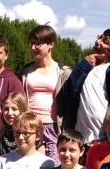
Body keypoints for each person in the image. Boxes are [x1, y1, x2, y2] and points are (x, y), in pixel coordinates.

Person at [60, 29, 110, 143]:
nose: (98, 41)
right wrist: (84, 64)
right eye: (99, 37)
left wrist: (105, 137)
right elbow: (67, 92)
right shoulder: (84, 67)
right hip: (79, 139)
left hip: (103, 139)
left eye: (105, 41)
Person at [19, 24, 71, 159]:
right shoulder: (25, 71)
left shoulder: (63, 72)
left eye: (38, 44)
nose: (33, 48)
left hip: (53, 127)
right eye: (32, 43)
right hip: (30, 126)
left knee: (54, 165)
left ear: (51, 44)